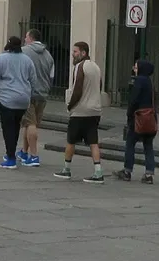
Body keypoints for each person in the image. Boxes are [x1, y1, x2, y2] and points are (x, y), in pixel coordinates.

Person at [57, 41, 105, 183]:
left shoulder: (80, 66)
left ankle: (66, 169)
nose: (73, 54)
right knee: (93, 141)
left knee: (71, 140)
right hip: (95, 110)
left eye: (75, 52)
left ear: (83, 53)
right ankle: (98, 171)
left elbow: (77, 88)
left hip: (80, 110)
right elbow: (100, 85)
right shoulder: (96, 66)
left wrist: (70, 105)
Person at [0, 35, 36, 169]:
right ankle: (11, 153)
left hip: (6, 98)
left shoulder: (1, 59)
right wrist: (30, 94)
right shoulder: (27, 60)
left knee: (7, 128)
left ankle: (10, 157)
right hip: (23, 99)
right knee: (16, 126)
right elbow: (33, 79)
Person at [18, 29, 55, 167]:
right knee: (31, 123)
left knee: (30, 123)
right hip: (43, 93)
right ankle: (23, 151)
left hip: (28, 92)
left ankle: (34, 156)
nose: (25, 39)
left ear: (31, 38)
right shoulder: (48, 55)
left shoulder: (24, 52)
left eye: (26, 37)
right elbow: (51, 76)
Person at [118, 59, 159, 183]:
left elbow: (134, 100)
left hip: (138, 118)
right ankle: (149, 174)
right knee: (148, 146)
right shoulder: (149, 82)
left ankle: (127, 171)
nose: (134, 69)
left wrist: (129, 114)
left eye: (136, 67)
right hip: (149, 118)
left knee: (130, 143)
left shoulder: (139, 81)